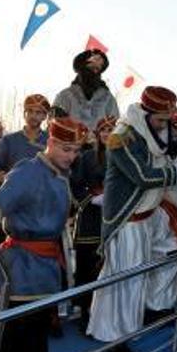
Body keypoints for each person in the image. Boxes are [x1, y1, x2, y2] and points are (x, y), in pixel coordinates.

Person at [0, 116, 89, 352]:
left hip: (45, 270)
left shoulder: (60, 174)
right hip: (19, 274)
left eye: (76, 151)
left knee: (34, 341)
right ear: (50, 142)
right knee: (12, 343)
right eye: (66, 149)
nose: (71, 156)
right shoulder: (28, 171)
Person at [87, 86, 177, 352]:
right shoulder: (122, 138)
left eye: (167, 120)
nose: (164, 125)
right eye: (161, 120)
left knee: (173, 250)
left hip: (152, 215)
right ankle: (116, 336)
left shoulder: (156, 135)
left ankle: (156, 303)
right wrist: (175, 172)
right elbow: (143, 176)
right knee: (127, 278)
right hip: (129, 220)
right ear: (146, 113)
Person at [69, 114, 116, 332]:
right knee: (87, 267)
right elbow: (75, 185)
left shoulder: (122, 156)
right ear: (98, 134)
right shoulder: (86, 157)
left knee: (110, 266)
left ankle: (106, 312)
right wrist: (91, 199)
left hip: (115, 219)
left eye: (112, 130)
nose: (108, 134)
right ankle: (85, 312)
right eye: (104, 130)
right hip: (89, 219)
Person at [53, 48, 119, 131]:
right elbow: (55, 124)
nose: (93, 72)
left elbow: (115, 127)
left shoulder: (108, 98)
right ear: (82, 67)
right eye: (91, 67)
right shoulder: (65, 95)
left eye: (97, 69)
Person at [0, 93, 49, 183]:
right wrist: (0, 177)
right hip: (14, 192)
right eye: (30, 111)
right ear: (24, 114)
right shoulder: (8, 141)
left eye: (38, 112)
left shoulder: (51, 142)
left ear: (44, 116)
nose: (33, 116)